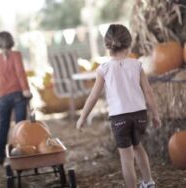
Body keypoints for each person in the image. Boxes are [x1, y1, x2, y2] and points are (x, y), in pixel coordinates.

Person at [76, 24, 161, 188]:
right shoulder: (137, 65)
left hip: (119, 118)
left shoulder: (104, 69)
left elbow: (93, 96)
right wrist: (156, 114)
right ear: (129, 44)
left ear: (107, 45)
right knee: (138, 148)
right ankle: (149, 182)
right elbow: (148, 92)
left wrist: (82, 117)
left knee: (126, 157)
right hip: (140, 116)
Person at [0, 31, 32, 165]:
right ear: (11, 41)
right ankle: (20, 155)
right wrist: (26, 89)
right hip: (17, 94)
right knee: (20, 125)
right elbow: (20, 72)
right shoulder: (16, 55)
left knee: (3, 125)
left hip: (1, 97)